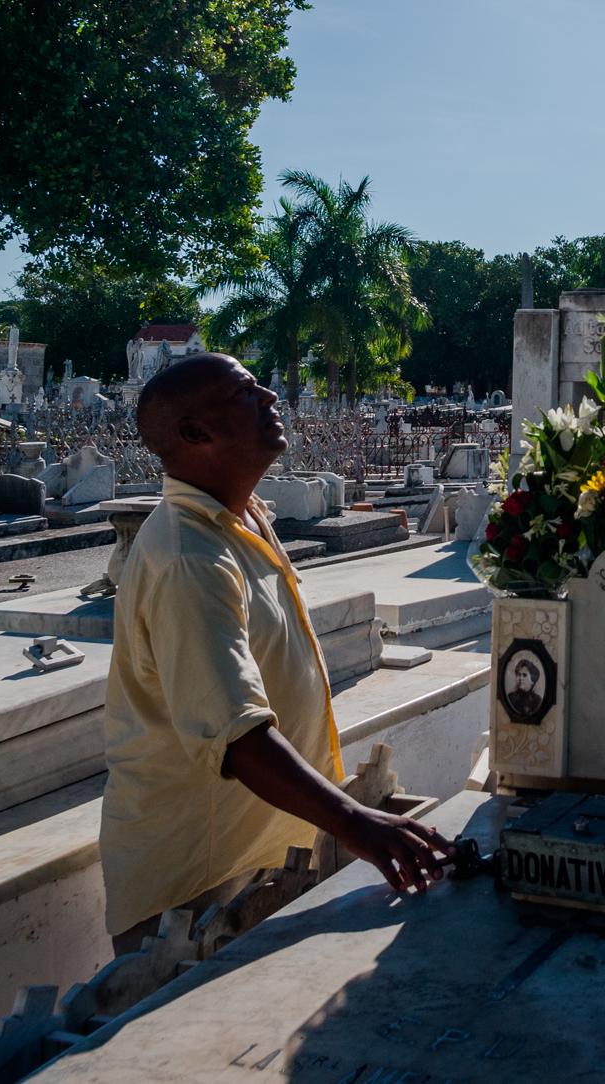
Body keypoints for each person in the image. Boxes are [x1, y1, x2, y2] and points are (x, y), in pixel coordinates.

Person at [101, 354, 453, 956]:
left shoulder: (241, 519)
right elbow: (236, 735)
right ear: (194, 433)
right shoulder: (190, 557)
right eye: (243, 393)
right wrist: (354, 822)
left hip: (257, 852)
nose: (270, 396)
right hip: (197, 884)